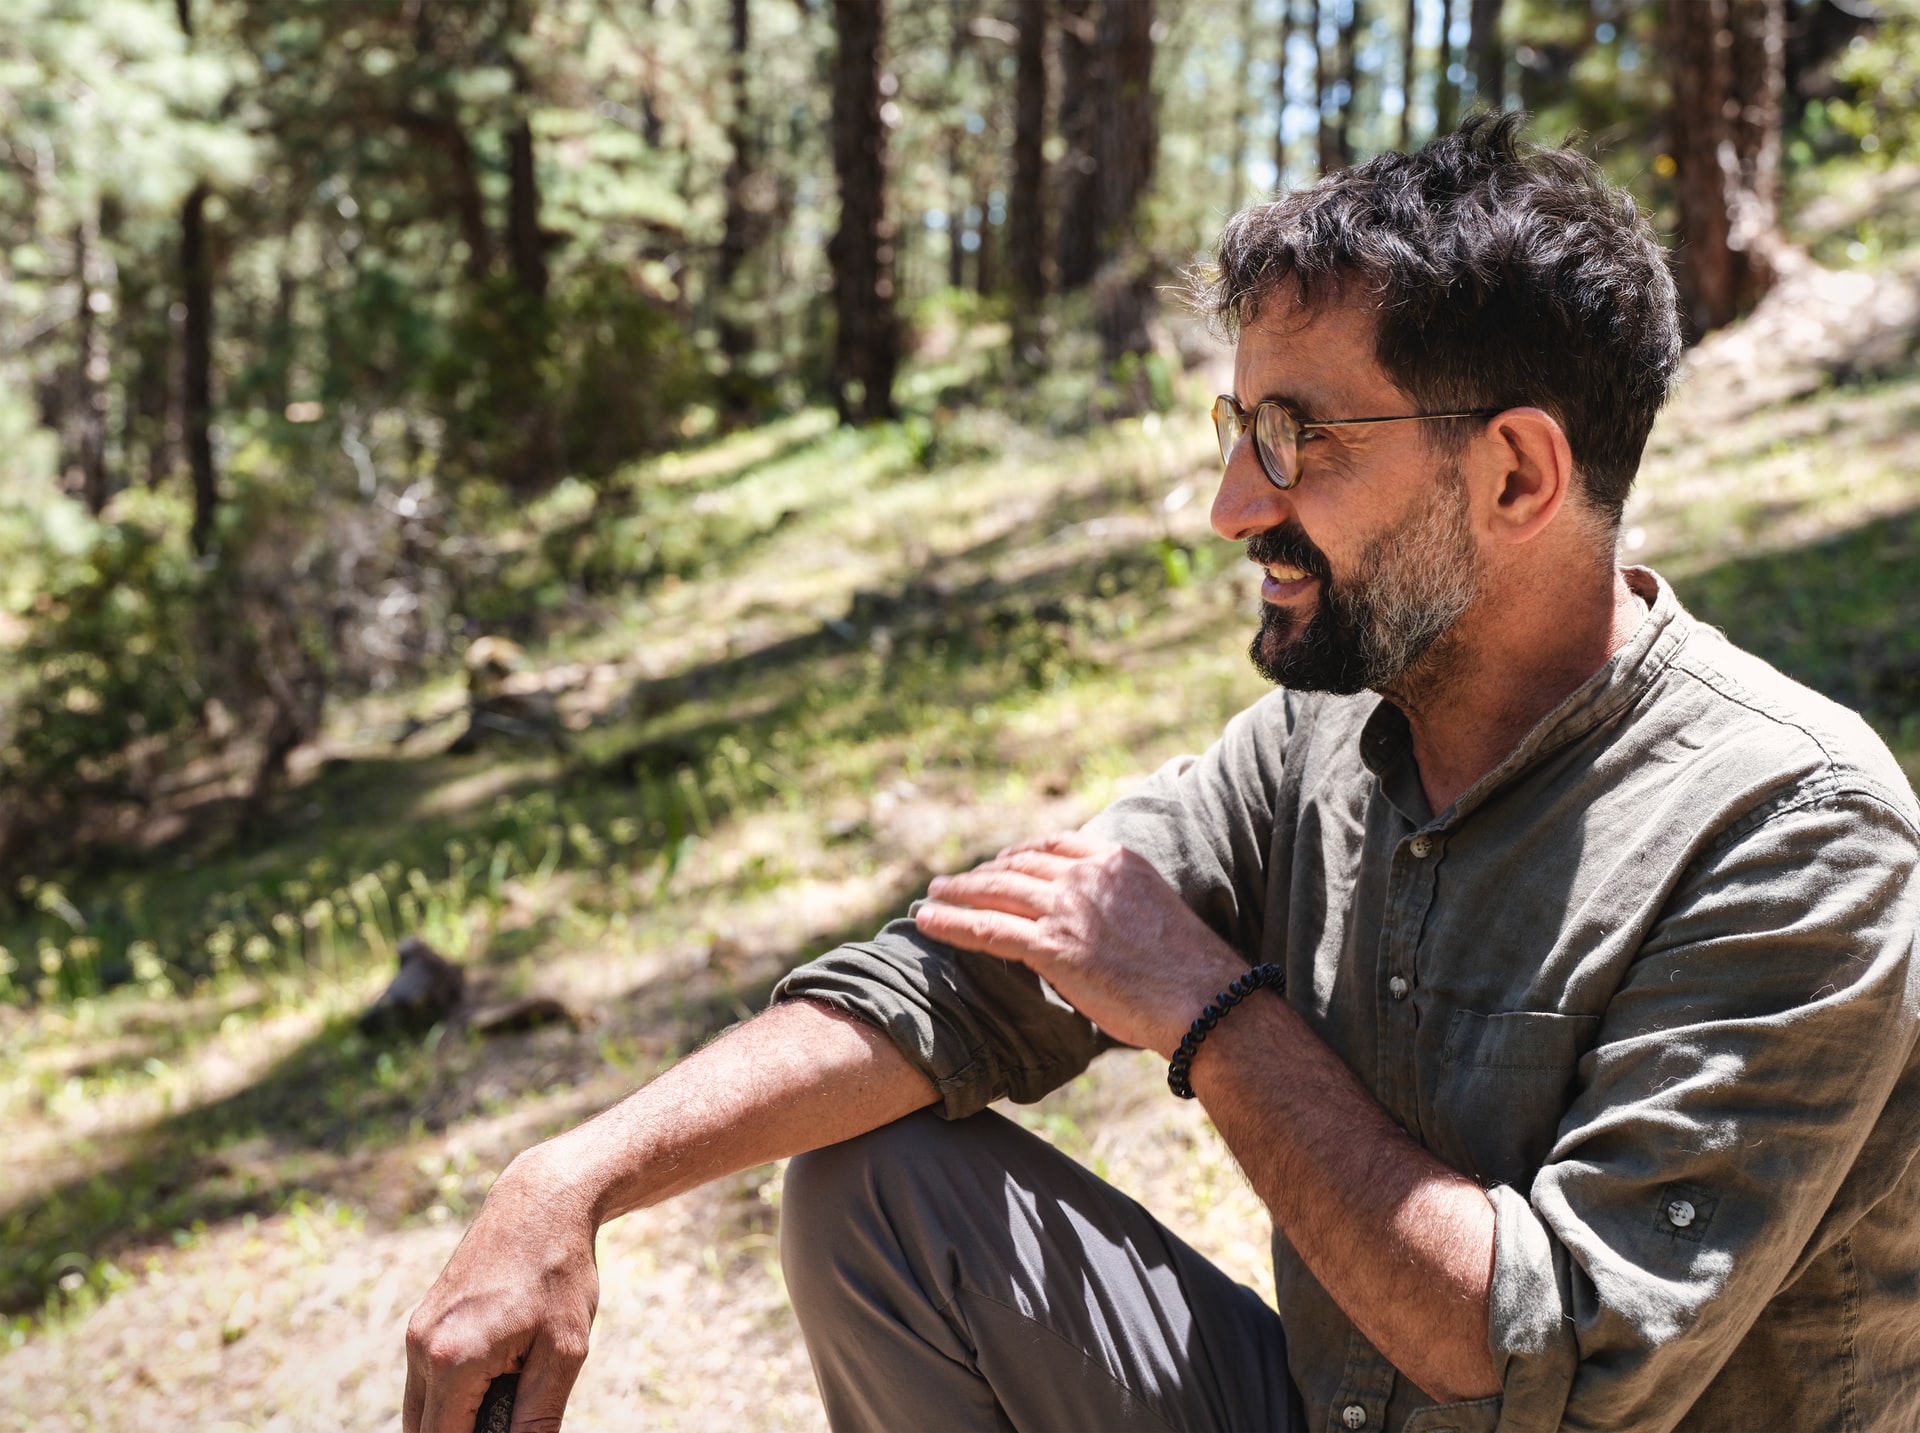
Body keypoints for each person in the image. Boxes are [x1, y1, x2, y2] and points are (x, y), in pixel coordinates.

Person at [403, 115, 1920, 1433]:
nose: (1227, 506)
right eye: (1236, 426)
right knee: (878, 1193)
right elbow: (979, 976)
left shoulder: (1795, 828)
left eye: (1298, 436)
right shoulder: (1323, 739)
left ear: (1517, 473)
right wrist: (570, 1175)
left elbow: (1564, 1367)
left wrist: (1213, 1015)